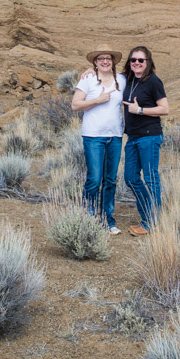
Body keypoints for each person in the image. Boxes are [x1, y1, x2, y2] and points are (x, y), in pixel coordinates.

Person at [71, 45, 126, 234]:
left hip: (115, 136)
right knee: (94, 179)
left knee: (110, 180)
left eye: (108, 58)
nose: (105, 61)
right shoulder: (88, 79)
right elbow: (75, 104)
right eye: (100, 58)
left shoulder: (121, 80)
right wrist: (97, 100)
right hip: (93, 136)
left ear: (113, 61)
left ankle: (107, 220)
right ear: (95, 62)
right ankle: (89, 219)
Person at [122, 45, 169, 236]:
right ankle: (149, 216)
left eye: (141, 60)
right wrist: (89, 71)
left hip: (149, 136)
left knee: (150, 178)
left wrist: (140, 110)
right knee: (130, 178)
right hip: (132, 137)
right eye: (133, 60)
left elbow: (164, 108)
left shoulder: (153, 81)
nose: (137, 63)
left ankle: (151, 222)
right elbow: (105, 73)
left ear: (148, 62)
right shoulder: (129, 79)